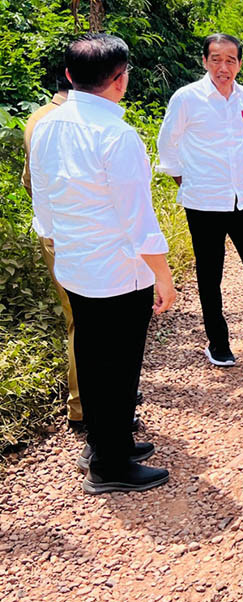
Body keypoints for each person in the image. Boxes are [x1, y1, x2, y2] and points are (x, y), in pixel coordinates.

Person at [30, 33, 176, 493]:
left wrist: (60, 241)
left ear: (70, 76)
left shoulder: (46, 125)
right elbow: (138, 219)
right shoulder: (117, 134)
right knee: (119, 363)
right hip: (117, 270)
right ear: (120, 80)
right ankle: (110, 466)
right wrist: (163, 275)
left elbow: (45, 204)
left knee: (93, 360)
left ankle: (104, 445)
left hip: (75, 264)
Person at [157, 34, 243, 367]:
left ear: (239, 63)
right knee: (211, 274)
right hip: (204, 202)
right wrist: (186, 179)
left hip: (242, 197)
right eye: (216, 59)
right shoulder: (187, 98)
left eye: (231, 60)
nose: (224, 67)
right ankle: (218, 343)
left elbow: (238, 143)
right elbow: (167, 144)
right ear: (205, 61)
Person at [22, 73, 145, 435]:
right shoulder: (69, 122)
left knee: (85, 323)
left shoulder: (40, 117)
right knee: (90, 326)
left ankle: (102, 410)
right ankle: (88, 413)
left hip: (60, 234)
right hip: (78, 239)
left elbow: (31, 182)